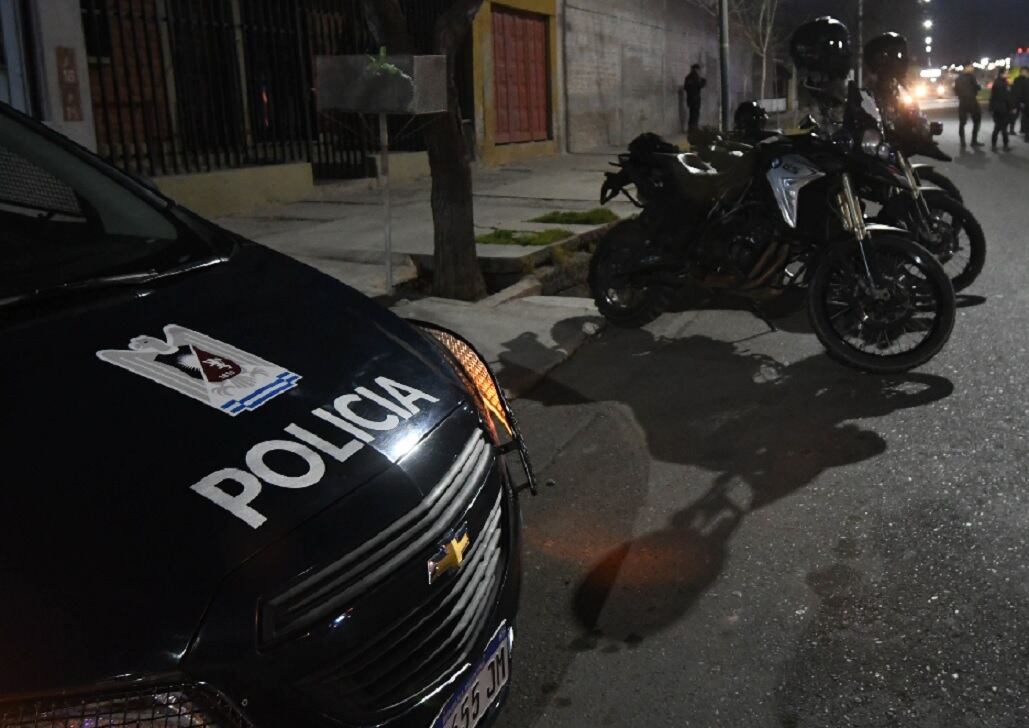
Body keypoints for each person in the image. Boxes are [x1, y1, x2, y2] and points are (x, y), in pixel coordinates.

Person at [954, 66, 983, 149]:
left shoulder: (958, 79)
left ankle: (962, 142)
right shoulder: (971, 77)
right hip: (972, 102)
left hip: (962, 102)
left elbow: (955, 91)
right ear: (966, 67)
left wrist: (961, 94)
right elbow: (977, 87)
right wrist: (977, 87)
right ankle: (974, 141)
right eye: (971, 67)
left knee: (962, 123)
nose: (972, 69)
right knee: (977, 120)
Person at [989, 69, 1012, 151]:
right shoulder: (1003, 83)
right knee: (1003, 128)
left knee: (997, 127)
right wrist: (1011, 107)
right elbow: (1007, 97)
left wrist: (991, 108)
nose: (1008, 74)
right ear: (1002, 74)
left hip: (997, 109)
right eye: (1006, 73)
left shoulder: (997, 82)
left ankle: (994, 145)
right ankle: (1005, 145)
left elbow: (992, 96)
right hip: (1002, 108)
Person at [683, 64, 706, 132]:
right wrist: (703, 81)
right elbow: (700, 85)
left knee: (691, 114)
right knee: (695, 114)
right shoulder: (697, 77)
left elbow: (685, 87)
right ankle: (694, 129)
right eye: (698, 69)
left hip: (690, 99)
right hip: (696, 99)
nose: (699, 71)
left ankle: (691, 128)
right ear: (696, 69)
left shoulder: (688, 77)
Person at [1012, 67, 1029, 142]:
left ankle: (1024, 131)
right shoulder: (1021, 80)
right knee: (1023, 117)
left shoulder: (1024, 80)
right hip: (1022, 102)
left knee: (1024, 118)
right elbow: (1020, 92)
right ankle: (1026, 135)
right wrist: (1021, 102)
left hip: (1022, 102)